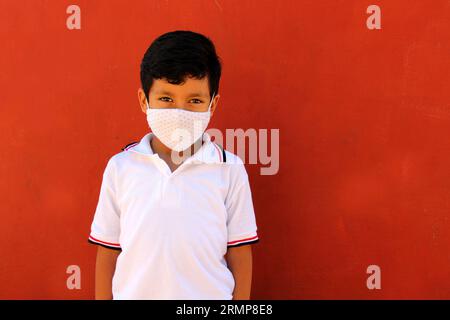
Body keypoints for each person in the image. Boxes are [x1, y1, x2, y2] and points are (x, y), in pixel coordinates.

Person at [88, 30, 259, 300]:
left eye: (195, 101)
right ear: (144, 100)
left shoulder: (230, 169)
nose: (179, 111)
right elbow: (108, 252)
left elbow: (240, 253)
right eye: (166, 98)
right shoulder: (121, 168)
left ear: (213, 105)